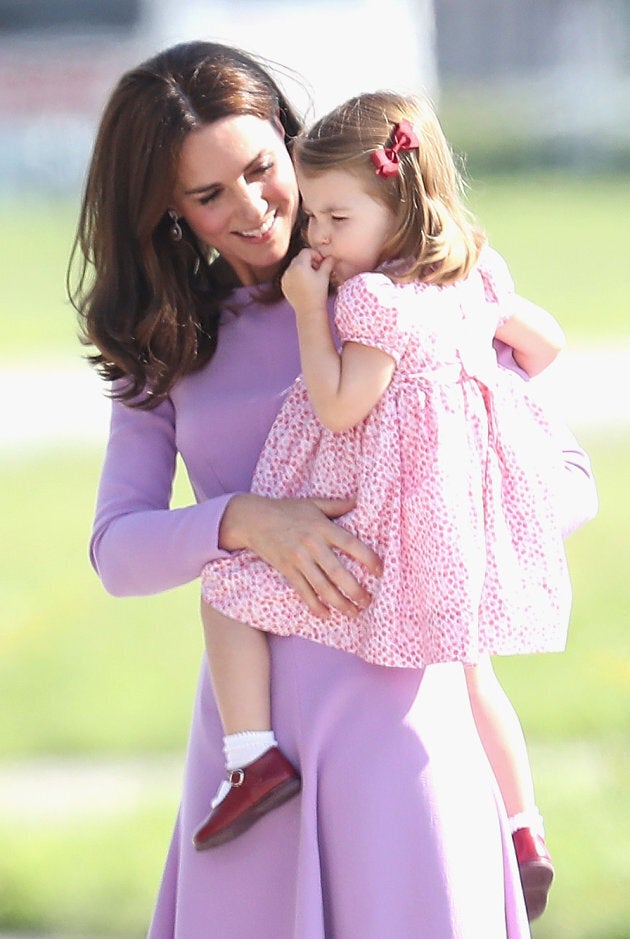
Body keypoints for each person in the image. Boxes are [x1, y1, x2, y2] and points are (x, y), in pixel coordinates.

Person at [68, 41, 597, 939]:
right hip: (254, 759)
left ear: (288, 136)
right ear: (167, 209)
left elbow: (567, 482)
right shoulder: (165, 343)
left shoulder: (410, 291)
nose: (254, 207)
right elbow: (118, 552)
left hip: (408, 722)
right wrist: (245, 522)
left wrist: (432, 510)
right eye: (208, 195)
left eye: (262, 168)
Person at [194, 91, 572, 920]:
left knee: (227, 586)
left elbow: (337, 406)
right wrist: (479, 373)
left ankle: (251, 755)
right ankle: (522, 824)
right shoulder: (474, 271)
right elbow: (546, 346)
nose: (317, 238)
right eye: (315, 216)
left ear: (400, 210)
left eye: (335, 218)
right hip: (455, 530)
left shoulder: (370, 303)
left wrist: (306, 314)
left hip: (386, 525)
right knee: (474, 677)